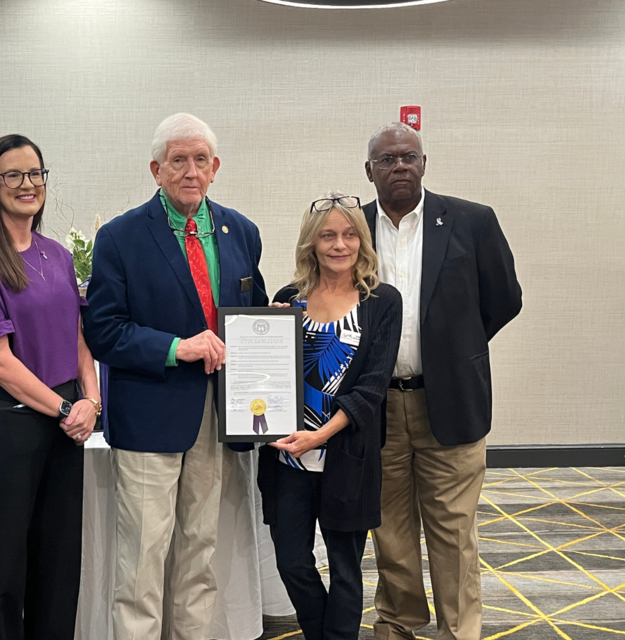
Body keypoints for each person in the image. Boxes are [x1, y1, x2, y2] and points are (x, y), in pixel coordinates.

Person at [83, 113, 269, 639]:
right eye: (178, 160)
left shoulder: (241, 231)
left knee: (199, 556)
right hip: (149, 415)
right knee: (141, 563)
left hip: (219, 416)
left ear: (215, 168)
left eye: (200, 160)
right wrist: (175, 348)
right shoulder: (121, 237)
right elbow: (104, 330)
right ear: (156, 170)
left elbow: (251, 315)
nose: (191, 171)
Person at [362, 123, 522, 640]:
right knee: (389, 529)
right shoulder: (352, 229)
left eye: (409, 156)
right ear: (370, 172)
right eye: (387, 160)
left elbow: (503, 299)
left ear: (425, 163)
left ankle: (461, 631)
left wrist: (454, 350)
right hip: (376, 407)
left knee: (453, 531)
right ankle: (400, 622)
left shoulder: (472, 221)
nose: (400, 166)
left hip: (450, 400)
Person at [0, 134, 99, 640]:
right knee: (7, 563)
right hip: (6, 423)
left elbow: (79, 338)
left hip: (63, 418)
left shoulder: (56, 255)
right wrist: (65, 408)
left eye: (35, 173)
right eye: (13, 175)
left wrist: (91, 400)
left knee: (59, 559)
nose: (27, 184)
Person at [260, 193, 402, 640]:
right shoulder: (288, 299)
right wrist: (266, 328)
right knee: (292, 562)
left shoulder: (381, 302)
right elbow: (262, 374)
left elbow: (373, 387)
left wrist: (320, 435)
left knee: (344, 568)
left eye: (349, 235)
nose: (340, 244)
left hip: (347, 456)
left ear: (362, 241)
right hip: (287, 460)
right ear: (312, 243)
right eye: (328, 235)